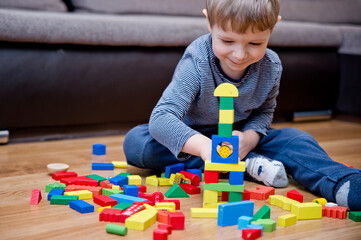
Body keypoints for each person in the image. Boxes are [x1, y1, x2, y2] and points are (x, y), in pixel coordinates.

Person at [123, 0, 361, 211]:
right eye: (227, 40)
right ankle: (247, 165)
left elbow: (264, 113)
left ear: (272, 28)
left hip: (241, 136)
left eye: (255, 43)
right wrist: (207, 148)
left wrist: (250, 138)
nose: (239, 54)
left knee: (297, 140)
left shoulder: (272, 65)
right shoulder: (197, 59)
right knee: (137, 143)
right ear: (209, 22)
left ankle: (341, 180)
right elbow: (162, 117)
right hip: (196, 139)